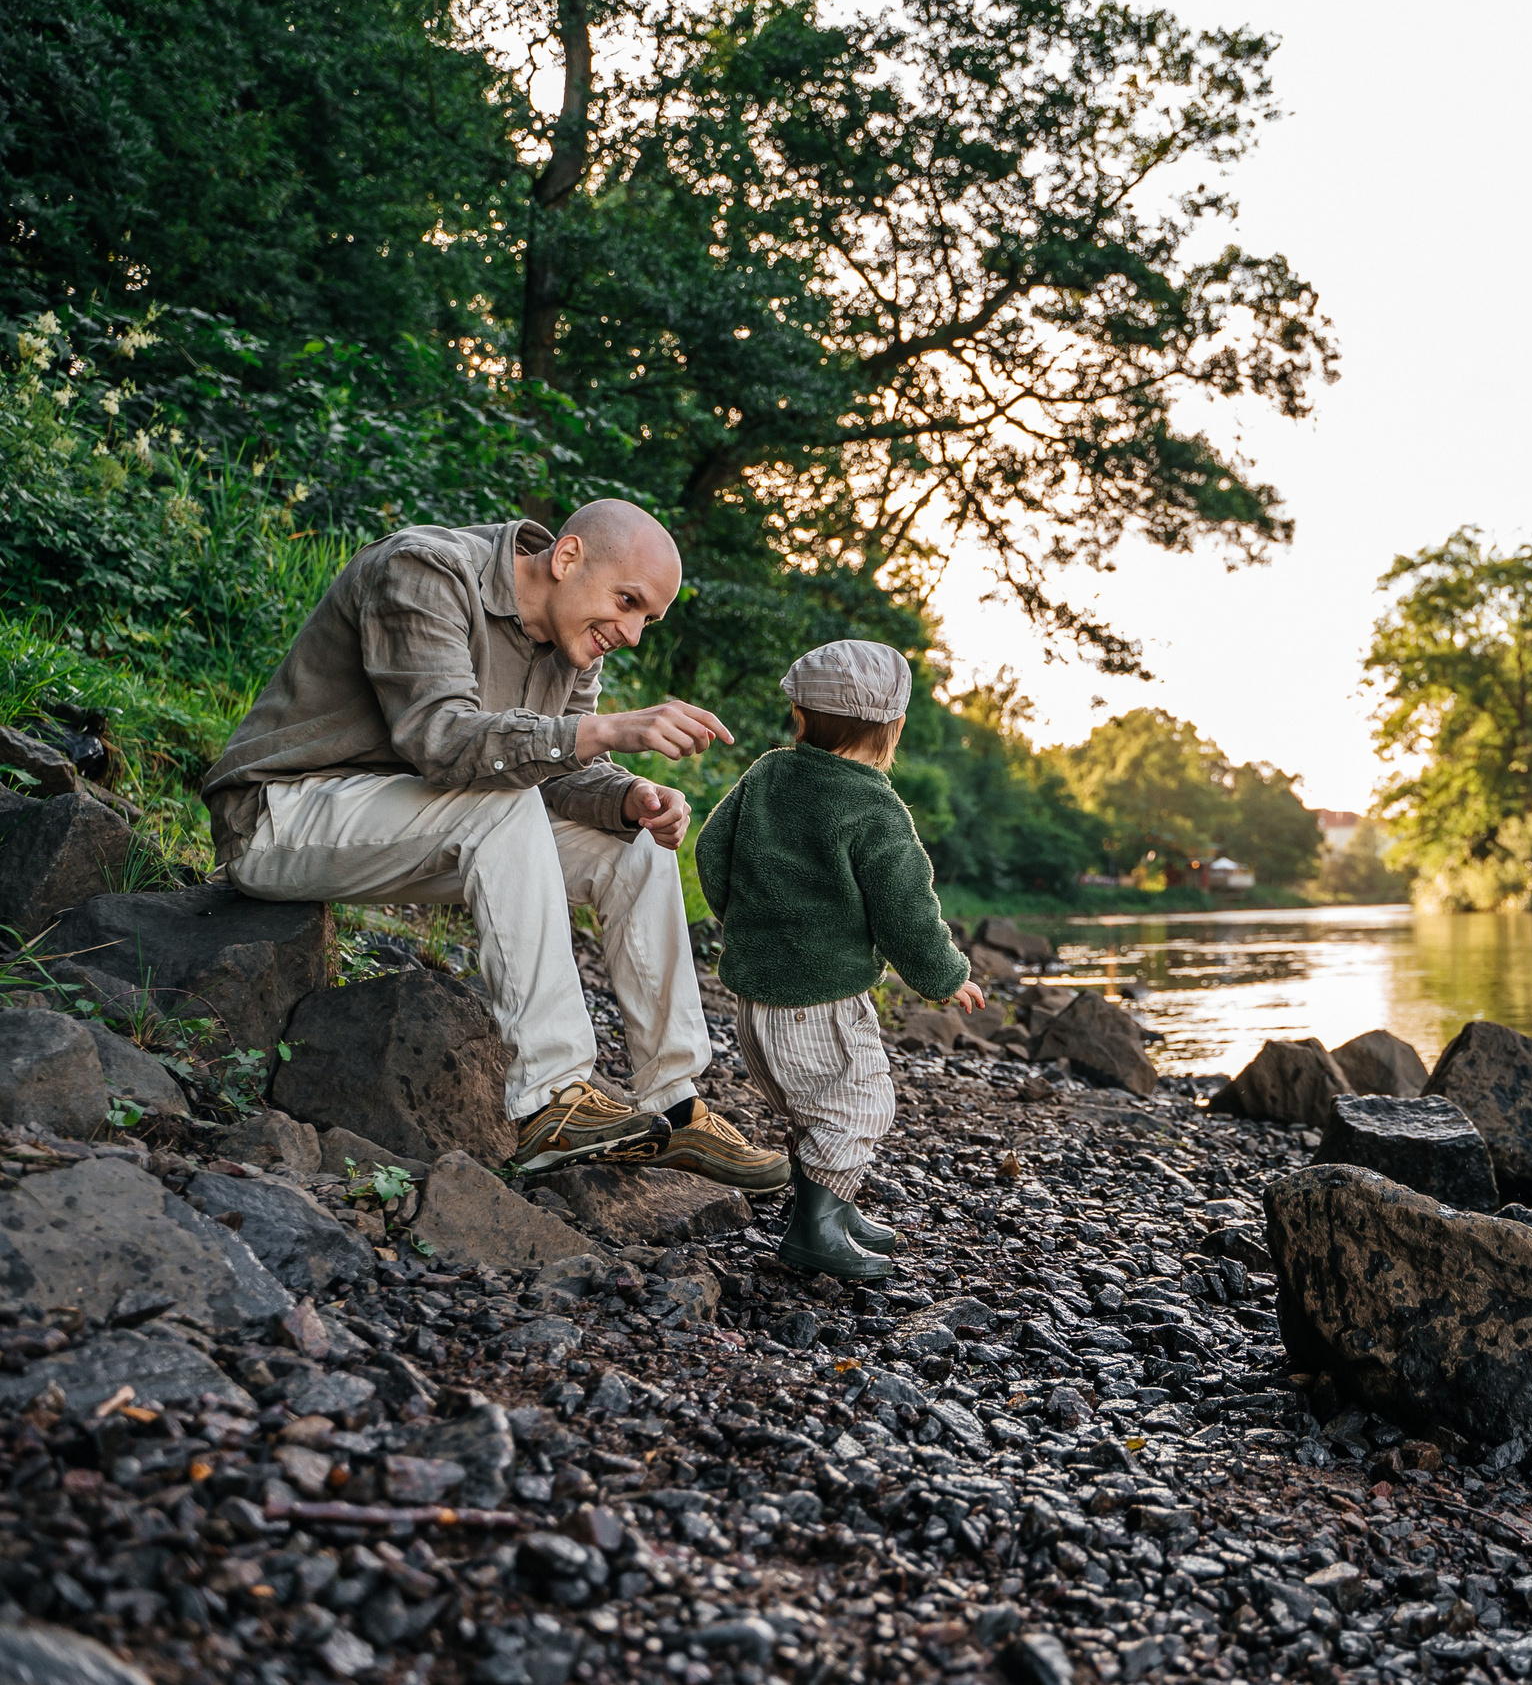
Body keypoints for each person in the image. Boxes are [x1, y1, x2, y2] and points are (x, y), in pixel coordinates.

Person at [201, 501, 789, 1193]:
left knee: (635, 846)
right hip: (282, 815)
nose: (629, 633)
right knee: (505, 806)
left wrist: (630, 799)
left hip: (411, 825)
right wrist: (606, 733)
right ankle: (551, 1097)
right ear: (567, 559)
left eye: (647, 621)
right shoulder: (425, 570)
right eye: (627, 602)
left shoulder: (574, 640)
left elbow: (562, 764)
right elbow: (441, 740)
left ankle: (675, 1102)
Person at [693, 639, 984, 1281]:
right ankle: (814, 1231)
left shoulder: (768, 773)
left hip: (758, 1000)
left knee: (815, 1107)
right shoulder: (873, 806)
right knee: (857, 1103)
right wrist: (945, 976)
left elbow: (713, 851)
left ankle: (835, 1209)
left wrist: (751, 923)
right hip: (817, 999)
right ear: (893, 728)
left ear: (799, 716)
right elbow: (905, 907)